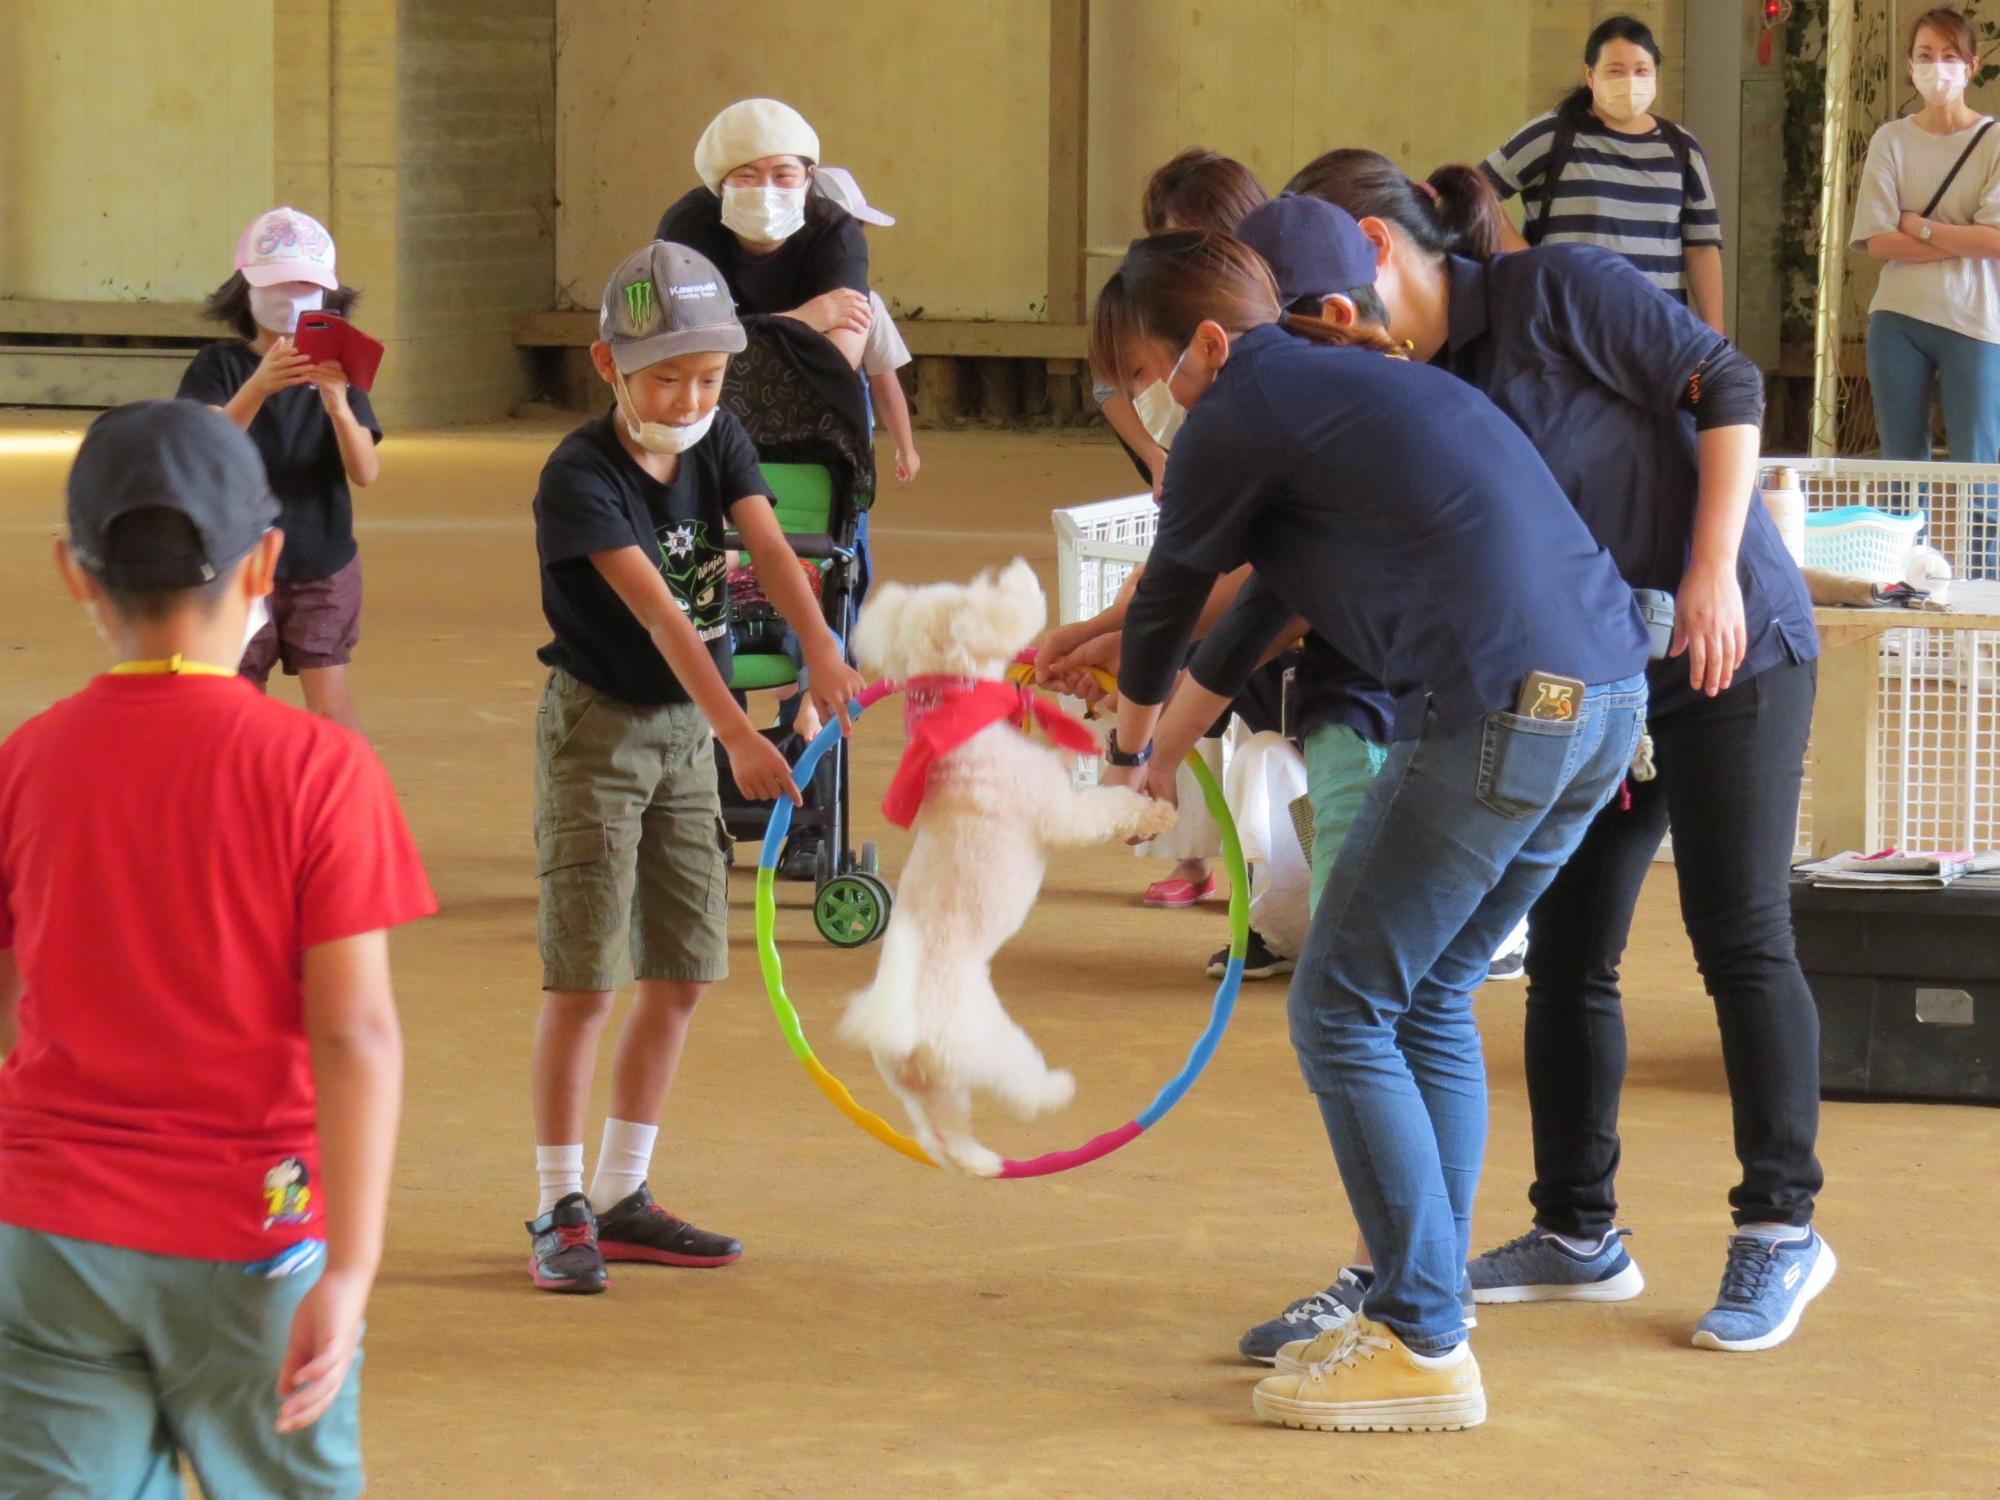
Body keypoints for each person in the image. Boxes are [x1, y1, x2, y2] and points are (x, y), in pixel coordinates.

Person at [1096, 229, 1650, 1432]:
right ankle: (1420, 1302)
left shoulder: (1244, 398)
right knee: (1428, 992)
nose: (1139, 404)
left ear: (1202, 343)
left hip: (1499, 707)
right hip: (1600, 701)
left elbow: (1172, 590)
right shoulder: (1343, 391)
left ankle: (1420, 1338)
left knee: (1340, 1004)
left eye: (1137, 374)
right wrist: (1162, 747)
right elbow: (1267, 608)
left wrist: (1123, 735)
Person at [1291, 150, 1832, 1352]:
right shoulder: (1414, 384)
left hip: (1729, 641)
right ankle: (1576, 1231)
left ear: (1372, 251)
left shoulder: (1554, 291)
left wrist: (1705, 574)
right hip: (1595, 682)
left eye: (1315, 282)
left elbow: (1724, 379)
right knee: (1570, 951)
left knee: (1736, 934)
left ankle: (1779, 1230)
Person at [0, 401, 434, 1495]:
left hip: (46, 1235)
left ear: (73, 572)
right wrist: (353, 1267)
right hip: (256, 1235)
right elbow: (356, 1033)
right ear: (268, 562)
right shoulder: (318, 770)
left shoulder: (28, 763)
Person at [524, 241, 866, 1293]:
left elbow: (769, 549)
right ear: (608, 365)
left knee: (679, 974)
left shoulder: (718, 439)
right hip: (604, 731)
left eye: (707, 376)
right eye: (663, 374)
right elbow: (666, 618)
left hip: (686, 730)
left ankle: (626, 1194)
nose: (687, 396)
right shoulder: (580, 476)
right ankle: (557, 1204)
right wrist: (740, 734)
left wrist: (821, 651)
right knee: (586, 978)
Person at [180, 205, 382, 729]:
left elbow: (366, 471)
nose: (291, 299)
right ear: (244, 290)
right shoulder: (218, 366)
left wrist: (338, 403)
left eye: (304, 287)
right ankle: (239, 802)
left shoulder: (338, 368)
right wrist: (259, 386)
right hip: (237, 564)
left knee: (331, 707)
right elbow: (207, 451)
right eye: (277, 285)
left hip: (322, 558)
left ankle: (343, 805)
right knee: (237, 704)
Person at [1482, 15, 1726, 332]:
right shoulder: (1553, 134)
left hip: (1658, 338)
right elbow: (1473, 191)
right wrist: (1526, 260)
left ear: (1655, 75)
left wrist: (1714, 339)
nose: (1630, 81)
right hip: (1566, 330)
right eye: (1616, 71)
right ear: (1590, 75)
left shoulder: (1682, 149)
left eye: (1641, 70)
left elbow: (1702, 248)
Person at [1854, 6, 2000, 481]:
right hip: (1897, 319)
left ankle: (1983, 556)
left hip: (1973, 320)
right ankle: (1904, 554)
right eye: (1925, 54)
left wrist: (1918, 227)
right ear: (1910, 66)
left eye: (1950, 54)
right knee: (1900, 464)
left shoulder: (1994, 140)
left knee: (1977, 463)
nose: (1937, 66)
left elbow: (1995, 242)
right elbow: (1877, 241)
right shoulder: (1890, 140)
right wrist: (1965, 238)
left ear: (1971, 65)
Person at [1095, 148, 1270, 498]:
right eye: (1176, 247)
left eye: (1205, 246)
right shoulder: (1143, 288)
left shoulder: (1277, 299)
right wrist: (1154, 456)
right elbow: (1107, 382)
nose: (1191, 265)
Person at [655, 98, 872, 368]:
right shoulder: (687, 228)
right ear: (720, 183)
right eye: (746, 177)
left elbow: (839, 361)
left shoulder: (836, 233)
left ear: (809, 176)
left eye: (783, 176)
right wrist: (799, 320)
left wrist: (731, 338)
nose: (765, 191)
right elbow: (683, 349)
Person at [816, 166, 922, 484]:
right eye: (847, 230)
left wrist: (907, 448)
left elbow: (885, 383)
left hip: (842, 452)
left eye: (857, 230)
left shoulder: (865, 302)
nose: (854, 242)